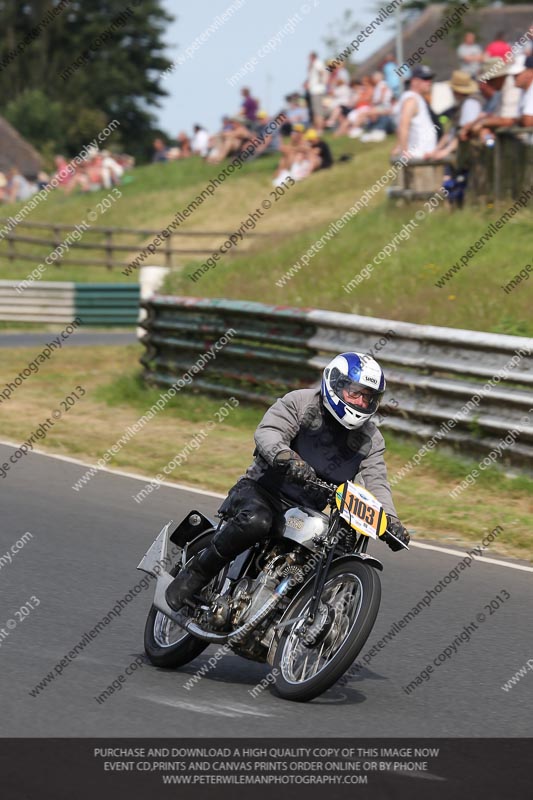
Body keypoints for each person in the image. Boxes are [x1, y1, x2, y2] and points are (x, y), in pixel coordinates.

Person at [166, 353, 410, 611]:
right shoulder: (302, 402)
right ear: (336, 384)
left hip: (308, 511)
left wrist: (390, 521)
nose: (361, 402)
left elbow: (376, 481)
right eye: (355, 393)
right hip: (262, 491)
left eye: (369, 397)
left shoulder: (371, 438)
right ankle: (194, 575)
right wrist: (286, 457)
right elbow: (269, 431)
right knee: (256, 521)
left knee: (336, 547)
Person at [392, 65, 438, 159]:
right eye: (425, 79)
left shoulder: (415, 98)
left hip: (423, 157)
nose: (429, 82)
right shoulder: (411, 100)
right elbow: (403, 126)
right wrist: (404, 153)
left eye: (430, 79)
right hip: (418, 159)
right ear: (414, 81)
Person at [307, 52, 328, 131]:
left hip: (317, 90)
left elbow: (322, 73)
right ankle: (317, 128)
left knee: (318, 111)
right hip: (315, 90)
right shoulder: (314, 64)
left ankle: (320, 129)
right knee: (316, 111)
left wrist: (321, 82)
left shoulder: (317, 63)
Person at [510, 54, 533, 126]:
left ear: (530, 72)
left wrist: (512, 120)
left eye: (517, 74)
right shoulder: (524, 90)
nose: (514, 78)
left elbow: (528, 121)